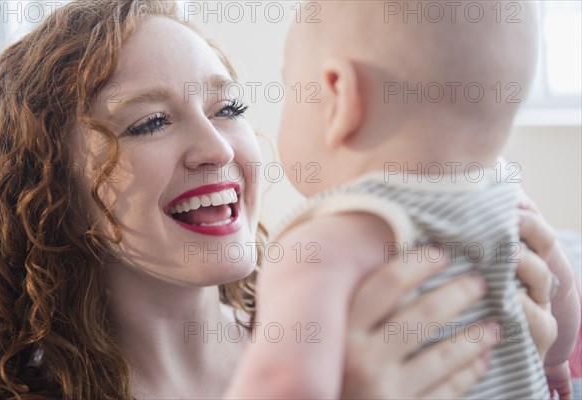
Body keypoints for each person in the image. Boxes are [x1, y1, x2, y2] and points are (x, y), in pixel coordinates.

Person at [0, 1, 563, 399]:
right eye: (151, 121)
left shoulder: (352, 305)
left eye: (229, 109)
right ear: (50, 182)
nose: (216, 148)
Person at [226, 1, 580, 399]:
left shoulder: (321, 245)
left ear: (340, 96)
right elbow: (560, 293)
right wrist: (551, 362)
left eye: (291, 89)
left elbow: (282, 385)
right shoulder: (511, 201)